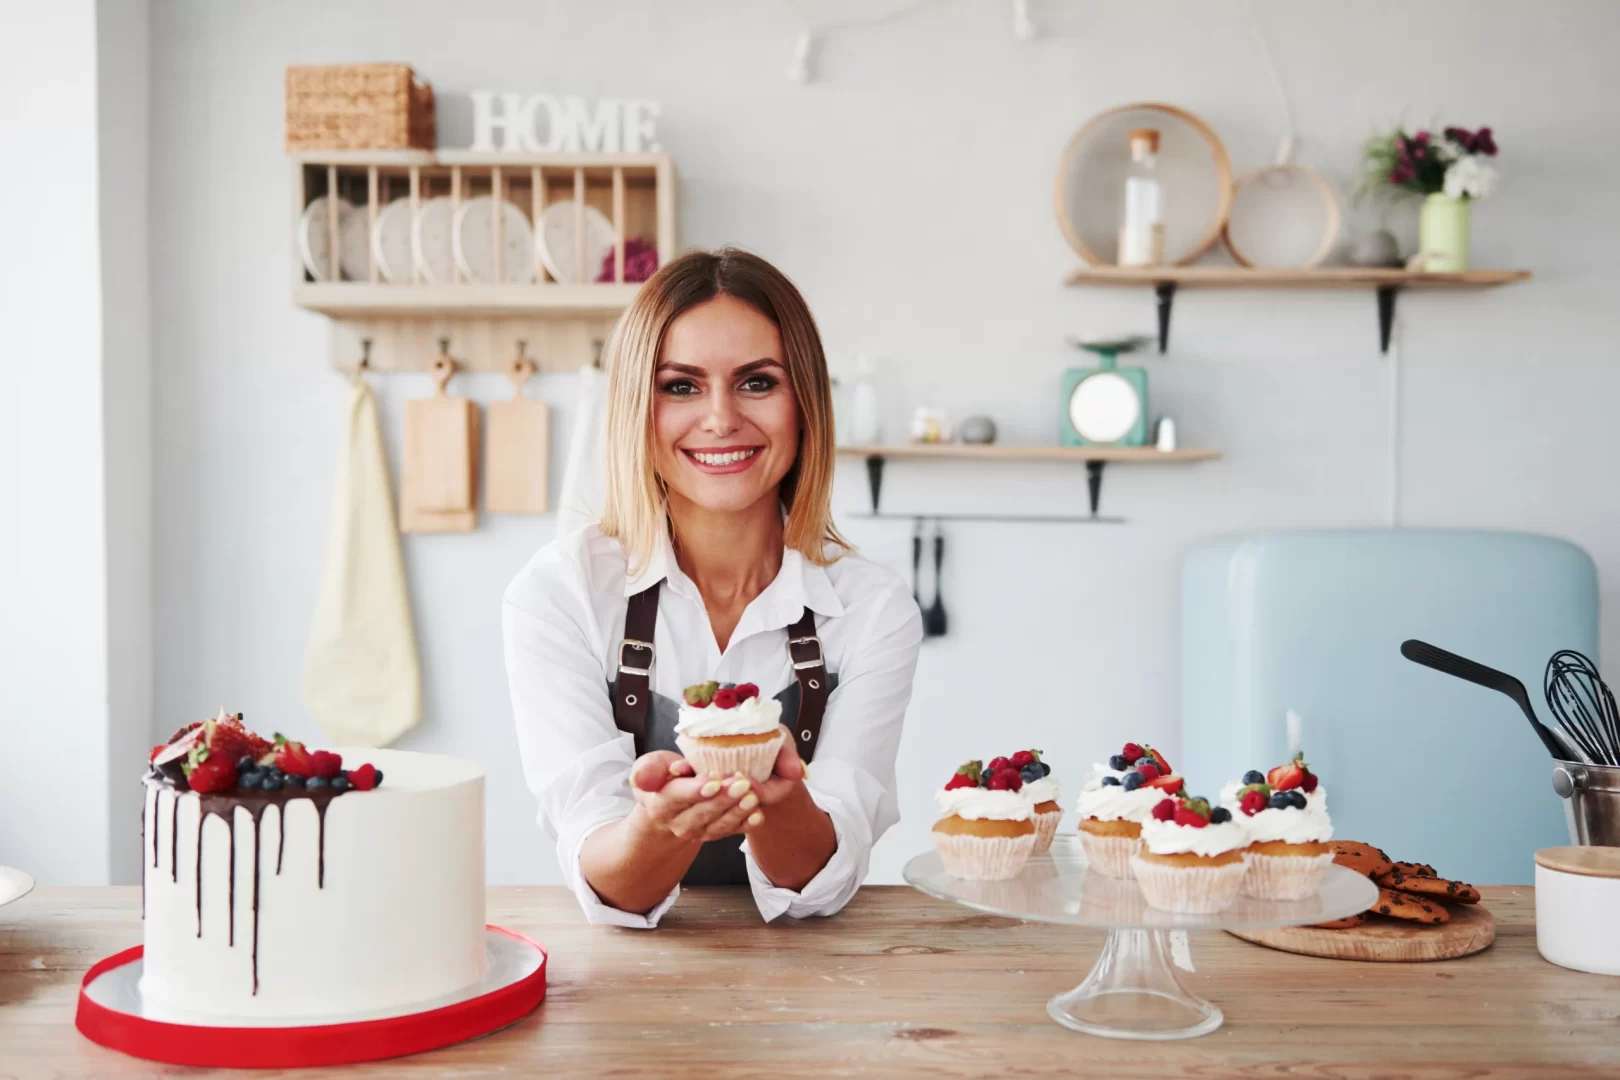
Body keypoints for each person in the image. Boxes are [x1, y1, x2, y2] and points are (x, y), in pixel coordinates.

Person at [504, 248, 923, 927]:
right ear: (638, 406)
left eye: (757, 383)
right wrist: (660, 826)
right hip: (629, 991)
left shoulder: (872, 610)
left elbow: (822, 881)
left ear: (805, 403)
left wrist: (780, 798)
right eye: (681, 386)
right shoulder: (561, 593)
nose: (721, 418)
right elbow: (607, 879)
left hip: (814, 987)